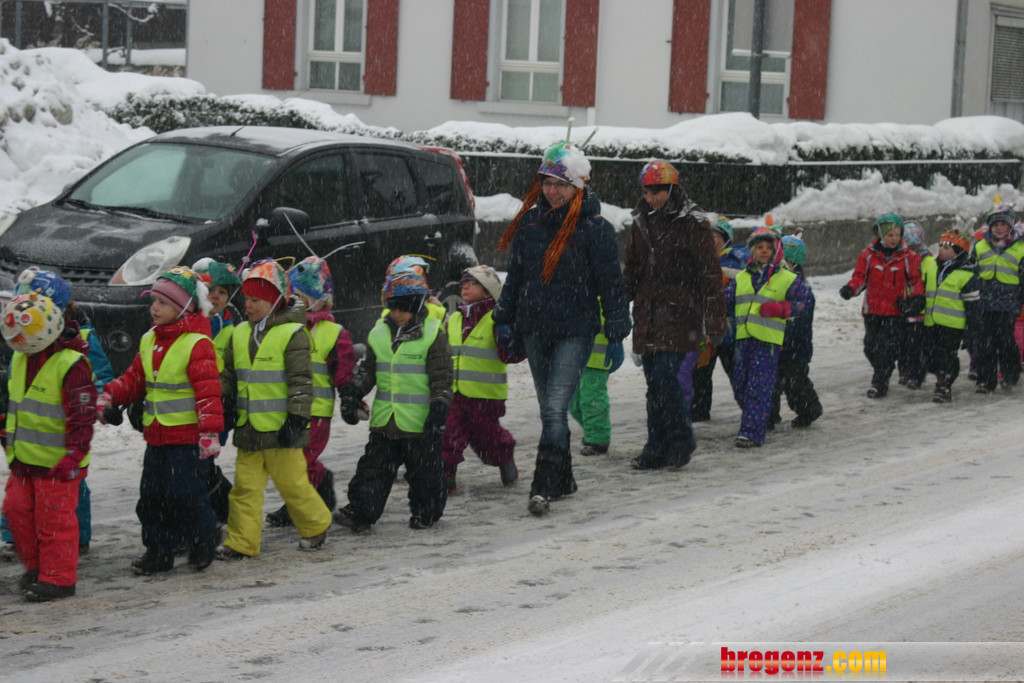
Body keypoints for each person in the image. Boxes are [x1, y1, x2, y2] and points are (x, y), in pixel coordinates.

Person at [492, 140, 630, 516]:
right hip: (535, 328)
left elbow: (610, 281)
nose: (553, 191)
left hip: (575, 330)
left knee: (555, 409)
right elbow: (516, 276)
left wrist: (618, 318)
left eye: (561, 184)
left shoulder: (596, 229)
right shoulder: (530, 224)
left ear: (578, 187)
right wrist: (503, 316)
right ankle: (563, 477)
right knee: (548, 409)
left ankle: (543, 485)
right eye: (548, 183)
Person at [95, 267, 224, 574]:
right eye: (153, 300)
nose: (154, 307)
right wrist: (110, 395)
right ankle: (158, 550)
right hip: (156, 437)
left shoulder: (197, 344)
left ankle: (204, 536)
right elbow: (134, 379)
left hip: (186, 440)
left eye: (163, 303)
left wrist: (209, 433)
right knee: (151, 498)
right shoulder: (149, 340)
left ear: (184, 307)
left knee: (184, 495)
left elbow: (208, 393)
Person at [216, 258, 332, 558]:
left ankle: (315, 525)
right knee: (244, 490)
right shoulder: (239, 333)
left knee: (292, 485)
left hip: (282, 431)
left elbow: (301, 381)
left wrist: (297, 418)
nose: (248, 305)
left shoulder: (293, 334)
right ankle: (241, 543)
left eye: (256, 300)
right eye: (246, 299)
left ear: (275, 301)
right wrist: (225, 403)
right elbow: (229, 374)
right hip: (249, 430)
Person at [0, 267, 113, 561]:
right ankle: (16, 535)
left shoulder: (81, 338)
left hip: (64, 435)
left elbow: (99, 373)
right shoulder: (23, 342)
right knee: (21, 491)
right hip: (26, 433)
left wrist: (98, 400)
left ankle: (78, 537)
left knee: (71, 489)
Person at [333, 266, 453, 532]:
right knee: (373, 470)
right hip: (385, 420)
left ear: (418, 306)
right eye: (393, 307)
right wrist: (354, 391)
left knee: (424, 474)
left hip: (419, 423)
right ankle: (361, 511)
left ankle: (426, 511)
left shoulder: (433, 334)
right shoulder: (379, 333)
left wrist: (439, 407)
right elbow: (368, 371)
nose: (397, 313)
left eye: (404, 308)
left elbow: (442, 377)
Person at [622, 160, 725, 470]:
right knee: (655, 386)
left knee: (667, 381)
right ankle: (655, 447)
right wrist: (617, 303)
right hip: (648, 314)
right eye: (646, 192)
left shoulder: (693, 223)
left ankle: (680, 440)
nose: (651, 198)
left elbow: (709, 273)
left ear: (671, 189)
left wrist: (715, 319)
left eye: (657, 192)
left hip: (681, 314)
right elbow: (632, 269)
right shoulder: (641, 221)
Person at [1, 291, 96, 600]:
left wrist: (75, 453)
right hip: (24, 458)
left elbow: (83, 415)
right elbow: (18, 403)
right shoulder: (20, 357)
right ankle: (37, 568)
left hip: (59, 463)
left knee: (53, 520)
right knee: (16, 512)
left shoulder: (72, 365)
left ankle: (58, 578)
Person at [263, 256, 356, 527]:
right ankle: (306, 495)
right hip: (287, 407)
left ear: (320, 301)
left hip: (315, 411)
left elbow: (343, 371)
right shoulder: (282, 327)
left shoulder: (333, 333)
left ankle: (313, 495)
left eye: (301, 298)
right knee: (286, 459)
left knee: (300, 460)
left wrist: (350, 396)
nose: (295, 303)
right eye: (292, 297)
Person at [728, 228, 813, 447]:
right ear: (752, 250)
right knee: (740, 385)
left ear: (777, 252)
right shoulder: (741, 277)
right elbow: (727, 302)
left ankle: (751, 433)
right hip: (743, 341)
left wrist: (782, 308)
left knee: (759, 387)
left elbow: (806, 303)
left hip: (768, 343)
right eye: (760, 247)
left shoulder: (787, 278)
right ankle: (758, 417)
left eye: (769, 248)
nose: (764, 251)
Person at [442, 265, 524, 493]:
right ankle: (445, 475)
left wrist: (512, 337)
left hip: (485, 396)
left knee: (487, 437)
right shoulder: (455, 318)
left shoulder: (496, 319)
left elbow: (511, 353)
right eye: (463, 283)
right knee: (448, 434)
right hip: (455, 393)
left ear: (488, 291)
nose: (465, 287)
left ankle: (504, 458)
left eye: (472, 283)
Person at [840, 212, 924, 398]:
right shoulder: (868, 255)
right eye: (889, 235)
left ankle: (880, 382)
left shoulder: (909, 257)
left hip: (895, 312)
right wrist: (850, 289)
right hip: (872, 310)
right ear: (880, 235)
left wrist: (916, 299)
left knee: (887, 348)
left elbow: (915, 280)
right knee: (870, 347)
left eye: (897, 235)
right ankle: (884, 367)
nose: (894, 238)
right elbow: (860, 277)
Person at [690, 215, 749, 422]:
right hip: (705, 333)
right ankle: (698, 412)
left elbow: (736, 293)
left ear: (725, 239)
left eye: (714, 236)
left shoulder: (735, 261)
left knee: (738, 374)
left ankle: (755, 412)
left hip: (729, 331)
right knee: (699, 375)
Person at [769, 234, 823, 429]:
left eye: (786, 261)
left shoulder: (800, 287)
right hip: (774, 342)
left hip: (795, 347)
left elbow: (800, 319)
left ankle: (809, 409)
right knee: (771, 383)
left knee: (795, 383)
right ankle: (768, 416)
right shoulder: (773, 281)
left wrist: (788, 339)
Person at [922, 228, 981, 402]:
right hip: (931, 322)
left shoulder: (966, 275)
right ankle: (941, 374)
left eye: (947, 247)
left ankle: (945, 383)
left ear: (959, 252)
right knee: (928, 355)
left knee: (947, 355)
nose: (941, 249)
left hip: (952, 325)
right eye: (940, 245)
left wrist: (972, 327)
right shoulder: (932, 267)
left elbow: (973, 305)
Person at [971, 202, 1024, 393]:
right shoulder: (980, 246)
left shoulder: (1020, 247)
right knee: (985, 342)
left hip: (1009, 303)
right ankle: (986, 380)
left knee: (1006, 341)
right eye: (996, 225)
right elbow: (971, 273)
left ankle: (1010, 374)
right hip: (985, 302)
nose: (1000, 229)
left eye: (1003, 225)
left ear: (1010, 226)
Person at [568, 299, 624, 456]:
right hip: (573, 356)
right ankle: (592, 432)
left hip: (598, 359)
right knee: (573, 402)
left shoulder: (608, 293)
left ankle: (599, 439)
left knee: (592, 400)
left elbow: (622, 318)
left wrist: (617, 339)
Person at [898, 221, 930, 389]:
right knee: (902, 343)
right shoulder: (898, 259)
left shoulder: (927, 261)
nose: (912, 251)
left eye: (915, 247)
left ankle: (916, 374)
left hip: (920, 310)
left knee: (916, 345)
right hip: (902, 308)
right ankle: (904, 370)